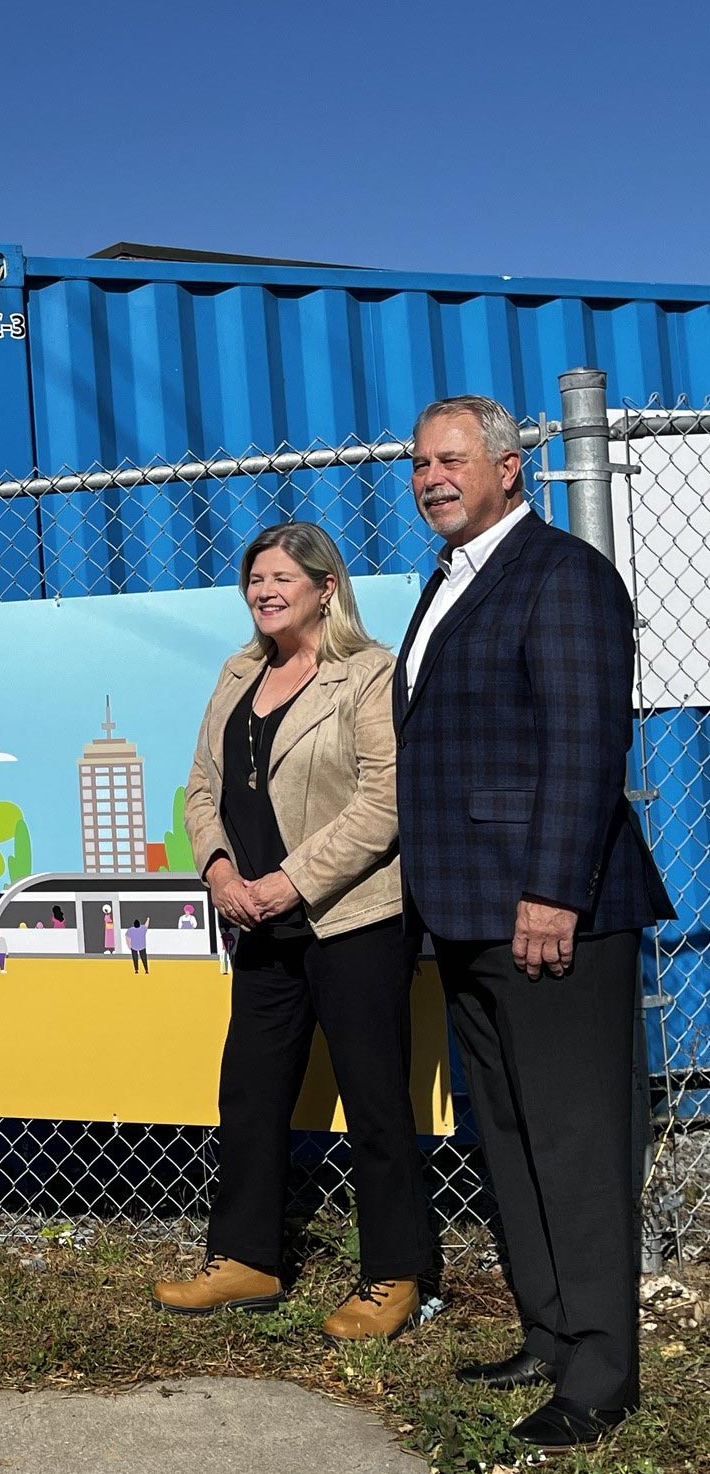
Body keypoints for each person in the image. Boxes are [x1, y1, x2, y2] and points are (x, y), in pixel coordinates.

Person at [397, 396, 671, 1448]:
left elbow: (585, 739)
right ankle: (550, 1331)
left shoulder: (562, 574)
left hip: (552, 913)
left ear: (511, 468)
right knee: (506, 1135)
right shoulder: (450, 580)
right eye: (421, 462)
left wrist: (553, 887)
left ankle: (602, 1372)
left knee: (577, 1140)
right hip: (465, 913)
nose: (432, 477)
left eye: (452, 458)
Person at [153, 520, 436, 1342]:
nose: (266, 592)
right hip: (259, 923)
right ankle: (245, 1260)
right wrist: (218, 873)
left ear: (324, 587)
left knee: (375, 1101)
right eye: (255, 581)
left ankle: (394, 1274)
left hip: (351, 918)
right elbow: (201, 786)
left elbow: (383, 803)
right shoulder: (239, 671)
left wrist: (288, 882)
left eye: (282, 578)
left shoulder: (367, 672)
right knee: (250, 1092)